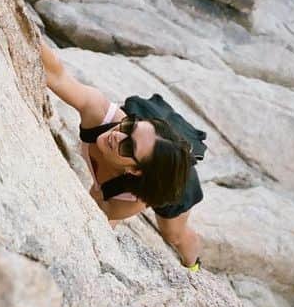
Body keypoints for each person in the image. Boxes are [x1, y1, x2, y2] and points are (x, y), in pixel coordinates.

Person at [40, 39, 203, 271]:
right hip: (154, 150)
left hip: (167, 182)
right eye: (128, 127)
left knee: (174, 236)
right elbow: (56, 75)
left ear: (135, 169)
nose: (118, 136)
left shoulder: (130, 200)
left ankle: (193, 265)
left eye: (128, 147)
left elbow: (100, 217)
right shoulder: (100, 116)